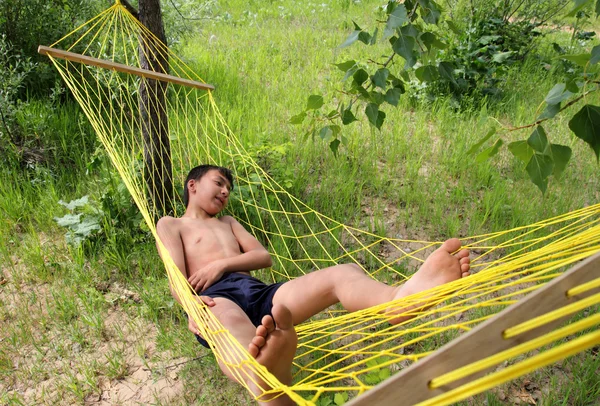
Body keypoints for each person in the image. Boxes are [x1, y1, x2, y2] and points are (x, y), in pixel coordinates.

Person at [156, 164, 471, 406]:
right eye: (219, 183)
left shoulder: (228, 222)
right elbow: (176, 277)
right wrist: (191, 305)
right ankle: (261, 376)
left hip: (258, 293)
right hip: (214, 299)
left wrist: (221, 263)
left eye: (229, 188)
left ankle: (398, 299)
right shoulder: (172, 224)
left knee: (340, 273)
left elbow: (262, 257)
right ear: (193, 185)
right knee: (229, 326)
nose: (226, 191)